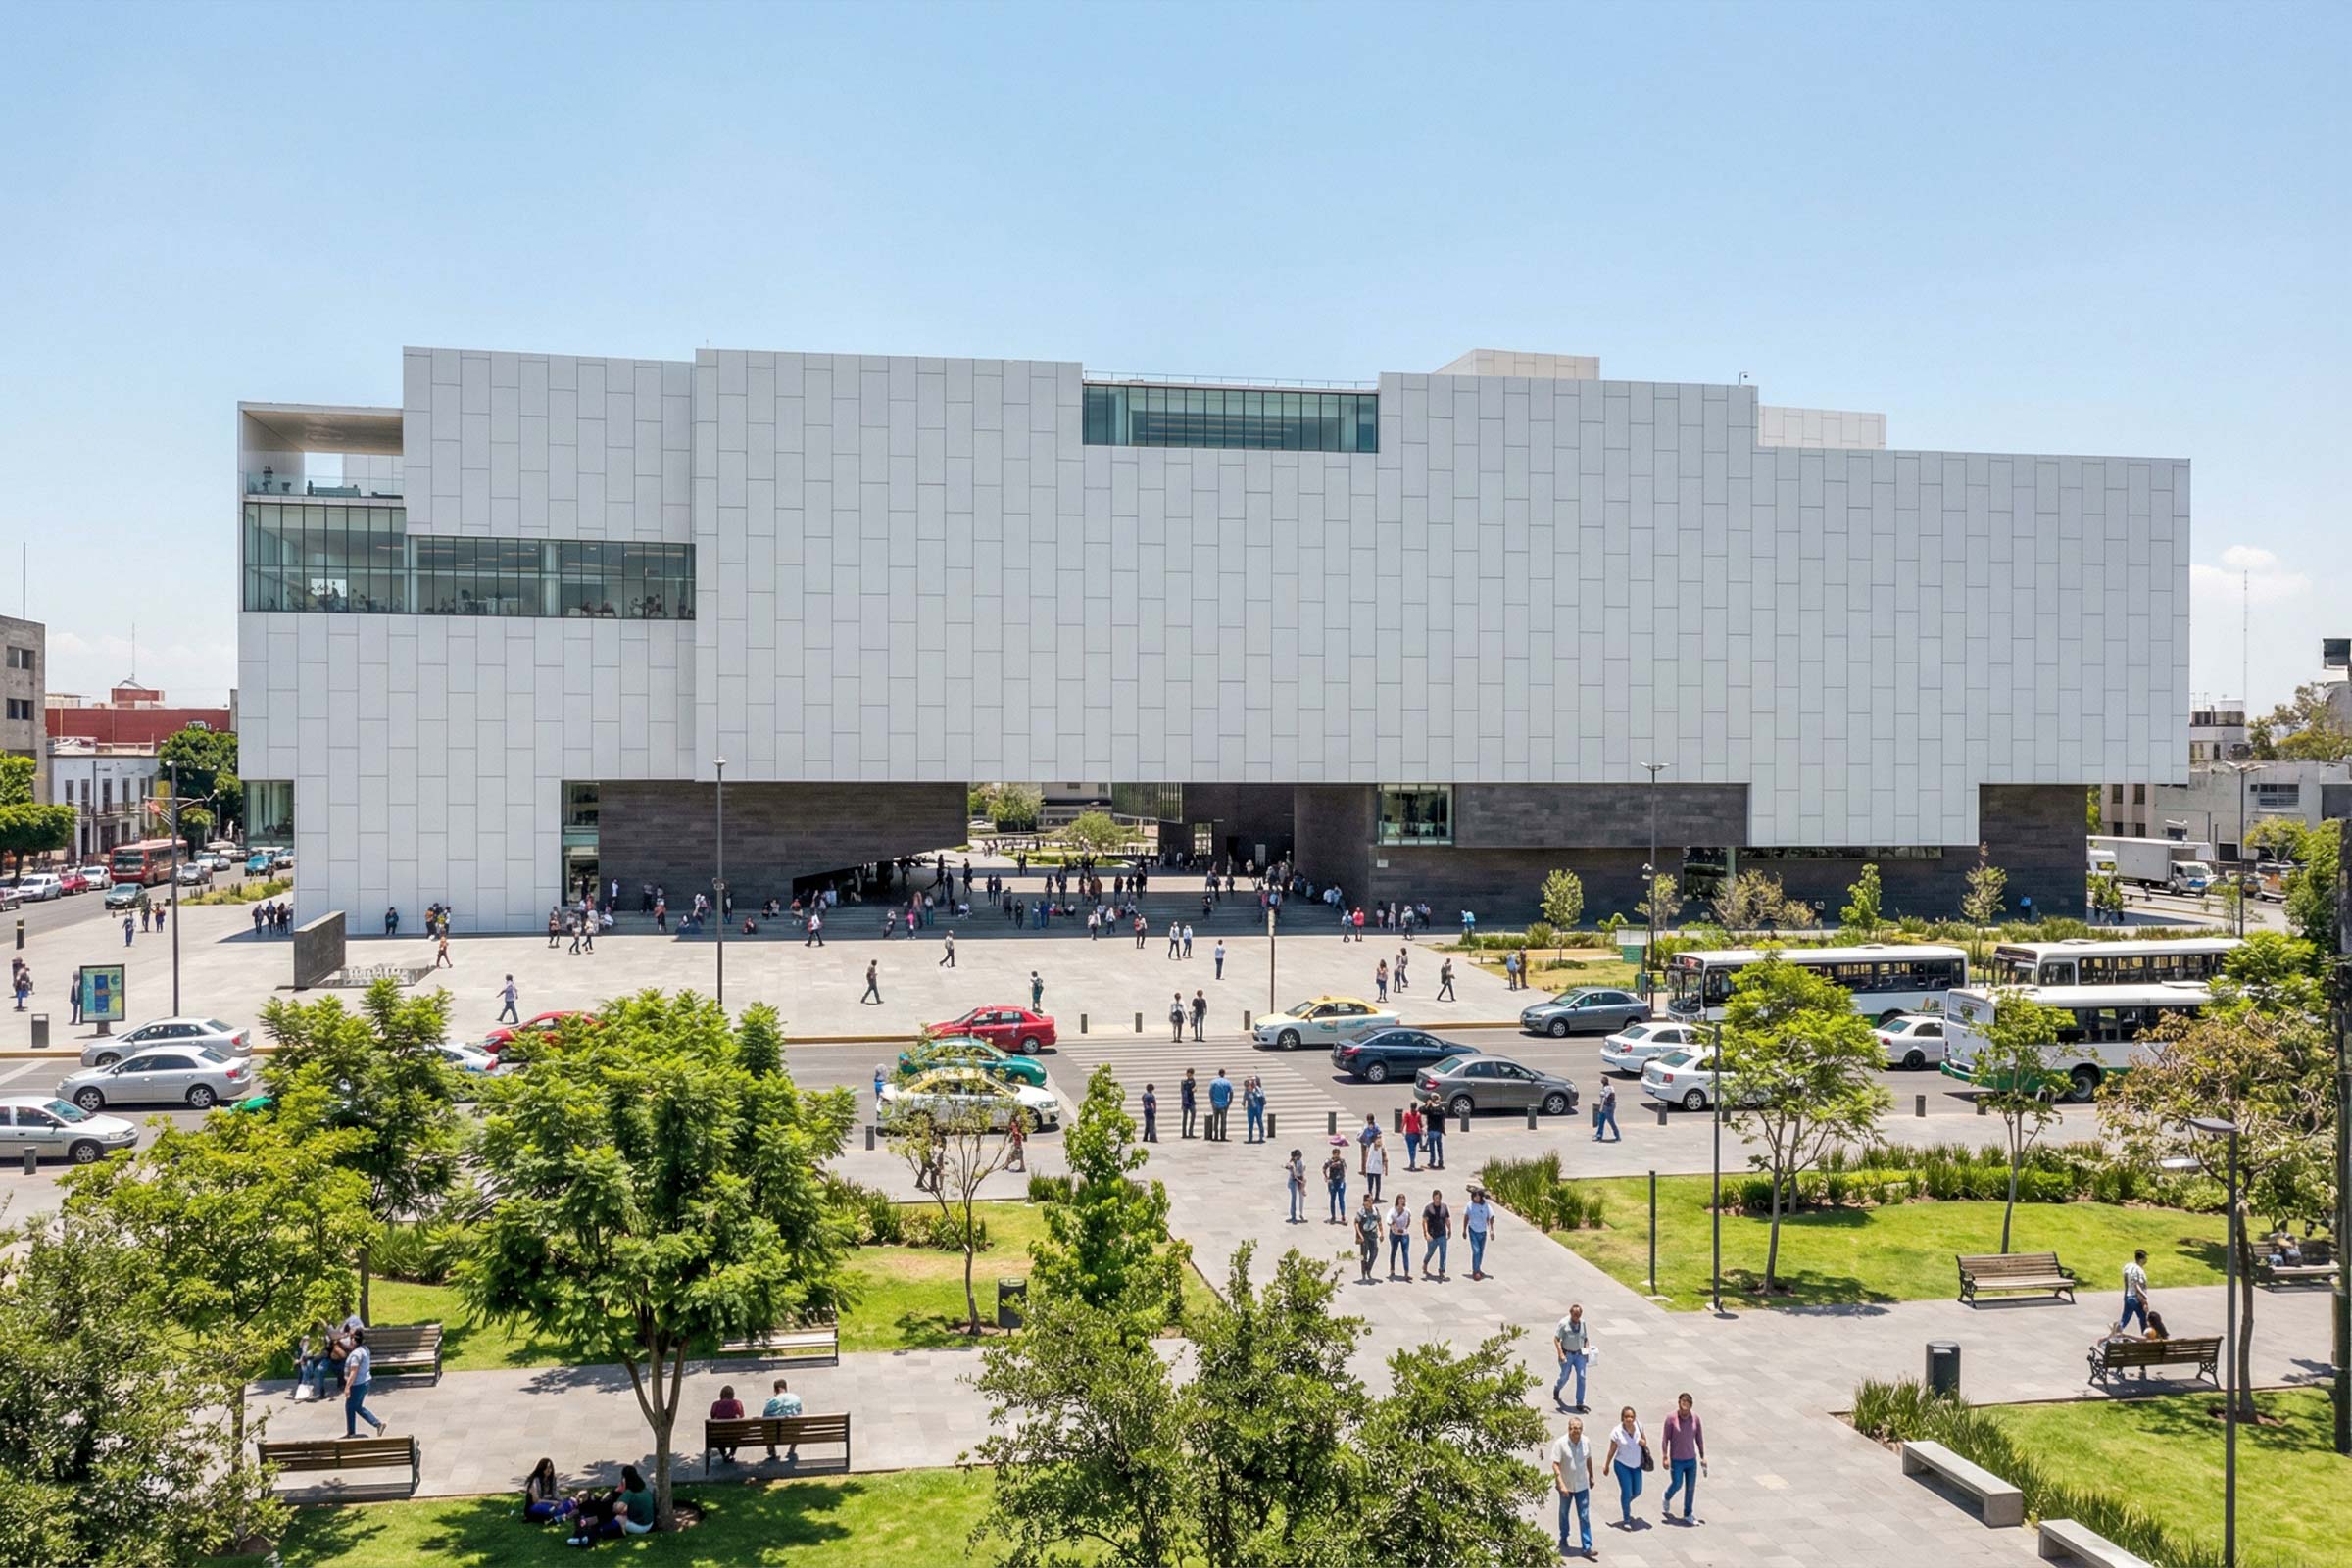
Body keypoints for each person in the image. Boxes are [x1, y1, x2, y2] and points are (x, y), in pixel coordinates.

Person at [1551, 1415, 1596, 1559]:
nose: (1576, 1431)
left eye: (1578, 1428)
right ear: (1569, 1428)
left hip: (1582, 1485)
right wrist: (1560, 1483)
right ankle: (1564, 1537)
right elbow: (1555, 1464)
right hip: (1566, 1485)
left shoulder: (1586, 1441)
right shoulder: (1561, 1443)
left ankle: (1587, 1546)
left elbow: (1588, 1459)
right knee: (1564, 1513)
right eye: (1573, 1428)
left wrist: (1591, 1475)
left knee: (1584, 1515)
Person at [1660, 1392, 1705, 1524]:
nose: (1684, 1407)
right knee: (1677, 1483)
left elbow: (1699, 1438)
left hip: (1691, 1460)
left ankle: (1688, 1513)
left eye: (1687, 1404)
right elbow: (1665, 1438)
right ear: (1679, 1404)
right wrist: (1665, 1457)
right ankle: (1667, 1496)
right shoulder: (1671, 1419)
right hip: (1677, 1460)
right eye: (1682, 1404)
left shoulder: (1695, 1418)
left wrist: (1703, 1456)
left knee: (1690, 1488)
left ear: (1691, 1405)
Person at [1603, 1405, 1648, 1530]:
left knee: (1637, 1491)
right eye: (1627, 1417)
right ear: (1622, 1418)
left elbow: (1645, 1441)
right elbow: (1612, 1450)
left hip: (1636, 1465)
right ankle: (1626, 1518)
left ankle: (1625, 1502)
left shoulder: (1639, 1426)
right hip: (1622, 1465)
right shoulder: (1617, 1432)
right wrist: (1606, 1465)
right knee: (1627, 1491)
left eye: (1632, 1417)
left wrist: (1643, 1442)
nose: (1629, 1419)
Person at [341, 1328, 386, 1437]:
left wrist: (347, 1387)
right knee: (357, 1406)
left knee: (350, 1407)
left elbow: (353, 1372)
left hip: (357, 1384)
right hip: (365, 1382)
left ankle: (351, 1433)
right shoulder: (365, 1350)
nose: (350, 1341)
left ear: (354, 1340)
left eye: (351, 1339)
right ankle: (377, 1424)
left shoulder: (356, 1355)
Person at [523, 1456, 575, 1523]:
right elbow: (536, 1501)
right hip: (535, 1506)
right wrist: (552, 1502)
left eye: (550, 1468)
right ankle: (561, 1515)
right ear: (542, 1468)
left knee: (570, 1503)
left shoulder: (552, 1479)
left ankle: (560, 1515)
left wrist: (561, 1501)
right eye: (547, 1468)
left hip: (550, 1503)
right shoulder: (535, 1480)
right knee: (551, 1511)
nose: (549, 1470)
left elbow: (555, 1494)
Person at [762, 1377, 804, 1460]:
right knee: (798, 1423)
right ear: (785, 1387)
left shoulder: (771, 1402)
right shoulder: (795, 1398)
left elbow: (765, 1418)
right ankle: (791, 1450)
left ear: (776, 1389)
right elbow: (799, 1413)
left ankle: (772, 1451)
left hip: (777, 1434)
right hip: (793, 1431)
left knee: (766, 1426)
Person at [1464, 1184, 1495, 1280]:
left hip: (1482, 1231)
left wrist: (1491, 1230)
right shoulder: (1469, 1205)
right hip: (1473, 1230)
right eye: (1474, 1196)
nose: (1476, 1198)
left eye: (1478, 1196)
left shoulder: (1485, 1205)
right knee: (1476, 1251)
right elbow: (1466, 1217)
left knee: (1480, 1252)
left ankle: (1478, 1268)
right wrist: (1464, 1230)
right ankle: (1475, 1271)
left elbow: (1491, 1217)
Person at [709, 1385, 747, 1461]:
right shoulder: (737, 1403)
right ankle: (732, 1453)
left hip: (720, 1436)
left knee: (717, 1432)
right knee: (737, 1431)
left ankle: (723, 1454)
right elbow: (741, 1416)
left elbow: (712, 1416)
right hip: (734, 1436)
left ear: (721, 1395)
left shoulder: (716, 1404)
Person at [613, 1464, 654, 1535]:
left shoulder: (629, 1492)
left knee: (617, 1518)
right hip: (650, 1523)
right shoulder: (643, 1487)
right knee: (625, 1511)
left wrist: (617, 1494)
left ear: (624, 1478)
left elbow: (617, 1509)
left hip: (641, 1527)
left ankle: (622, 1532)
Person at [1422, 1187, 1452, 1280]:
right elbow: (1424, 1221)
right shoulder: (1428, 1208)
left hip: (1442, 1234)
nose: (1437, 1200)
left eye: (1438, 1198)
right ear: (1433, 1198)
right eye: (1435, 1198)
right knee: (1430, 1252)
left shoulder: (1444, 1207)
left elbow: (1447, 1219)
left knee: (1443, 1253)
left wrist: (1450, 1229)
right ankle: (1425, 1262)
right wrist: (1426, 1233)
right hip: (1432, 1235)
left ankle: (1441, 1271)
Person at [1353, 1193, 1384, 1283]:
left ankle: (1368, 1268)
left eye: (1372, 1200)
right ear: (1365, 1202)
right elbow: (1356, 1223)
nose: (1371, 1202)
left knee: (1374, 1252)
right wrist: (1360, 1234)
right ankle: (1363, 1272)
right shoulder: (1361, 1211)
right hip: (1364, 1234)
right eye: (1370, 1200)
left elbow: (1379, 1221)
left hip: (1373, 1233)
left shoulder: (1375, 1210)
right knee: (1363, 1255)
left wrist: (1381, 1232)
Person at [2121, 1248, 2150, 1334]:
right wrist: (2144, 1299)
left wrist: (2125, 1295)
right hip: (2135, 1298)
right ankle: (2146, 1335)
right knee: (2143, 1316)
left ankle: (2116, 1333)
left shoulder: (2129, 1267)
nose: (2146, 1260)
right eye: (2145, 1258)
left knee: (2125, 1318)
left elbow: (2126, 1282)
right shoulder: (2138, 1270)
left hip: (2128, 1296)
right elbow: (2137, 1285)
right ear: (2142, 1259)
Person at [1386, 1193, 1414, 1278]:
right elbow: (1388, 1220)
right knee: (1393, 1251)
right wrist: (1394, 1226)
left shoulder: (1407, 1211)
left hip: (1404, 1234)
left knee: (1405, 1253)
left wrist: (1405, 1228)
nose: (1402, 1200)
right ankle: (1392, 1270)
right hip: (1394, 1234)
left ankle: (1406, 1273)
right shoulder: (1392, 1210)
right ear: (1397, 1200)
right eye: (1400, 1199)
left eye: (1403, 1199)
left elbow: (1409, 1220)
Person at [1324, 1146, 1348, 1222]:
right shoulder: (1329, 1161)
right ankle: (1333, 1216)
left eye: (1338, 1153)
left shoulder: (1342, 1161)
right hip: (1332, 1182)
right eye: (1335, 1153)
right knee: (1332, 1199)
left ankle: (1343, 1215)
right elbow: (1324, 1168)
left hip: (1340, 1181)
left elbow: (1345, 1167)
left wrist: (1339, 1164)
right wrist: (1326, 1177)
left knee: (1341, 1199)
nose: (1336, 1155)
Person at [1207, 1069, 1233, 1141]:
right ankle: (1223, 1136)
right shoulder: (1227, 1082)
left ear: (1219, 1074)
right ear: (1224, 1074)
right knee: (1223, 1121)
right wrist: (1229, 1101)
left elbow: (1210, 1092)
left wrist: (1212, 1101)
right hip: (1224, 1104)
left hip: (1215, 1104)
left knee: (1216, 1121)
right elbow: (1231, 1092)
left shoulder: (1213, 1082)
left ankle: (1215, 1136)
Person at [1362, 1130, 1387, 1200]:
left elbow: (1385, 1158)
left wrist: (1385, 1169)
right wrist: (1365, 1168)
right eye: (1377, 1138)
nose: (1379, 1140)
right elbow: (1367, 1157)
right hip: (1370, 1168)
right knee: (1370, 1184)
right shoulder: (1370, 1146)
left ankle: (1377, 1196)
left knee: (1378, 1184)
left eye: (1380, 1138)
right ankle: (1370, 1195)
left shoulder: (1382, 1148)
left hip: (1378, 1169)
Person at [1286, 1148, 1307, 1223]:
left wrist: (1303, 1183)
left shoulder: (1300, 1162)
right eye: (1297, 1157)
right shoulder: (1291, 1163)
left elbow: (1302, 1172)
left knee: (1302, 1197)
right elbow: (1288, 1167)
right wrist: (1289, 1167)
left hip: (1300, 1180)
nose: (1298, 1158)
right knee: (1293, 1198)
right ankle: (1293, 1216)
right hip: (1293, 1181)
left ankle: (1301, 1213)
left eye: (1299, 1157)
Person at [1244, 1075, 1265, 1144]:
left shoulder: (1258, 1089)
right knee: (1250, 1123)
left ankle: (1261, 1137)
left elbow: (1261, 1095)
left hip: (1258, 1108)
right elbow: (1244, 1098)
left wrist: (1255, 1090)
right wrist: (1244, 1104)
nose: (1252, 1083)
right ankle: (1250, 1138)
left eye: (1254, 1082)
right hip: (1250, 1109)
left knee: (1260, 1122)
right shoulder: (1247, 1090)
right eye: (1252, 1082)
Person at [1402, 1102, 1424, 1171]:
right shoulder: (1418, 1114)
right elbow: (1420, 1124)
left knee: (1411, 1149)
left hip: (1409, 1134)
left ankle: (1412, 1163)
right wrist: (1422, 1130)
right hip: (1416, 1134)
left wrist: (1401, 1129)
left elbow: (1404, 1122)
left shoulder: (1408, 1114)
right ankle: (1412, 1162)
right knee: (1413, 1149)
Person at [1180, 1068, 1198, 1138]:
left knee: (1186, 1118)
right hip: (1189, 1102)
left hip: (1186, 1102)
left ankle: (1185, 1134)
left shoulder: (1184, 1082)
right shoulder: (1191, 1081)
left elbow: (1183, 1092)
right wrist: (1193, 1090)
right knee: (1190, 1117)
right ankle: (1189, 1133)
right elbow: (1190, 1090)